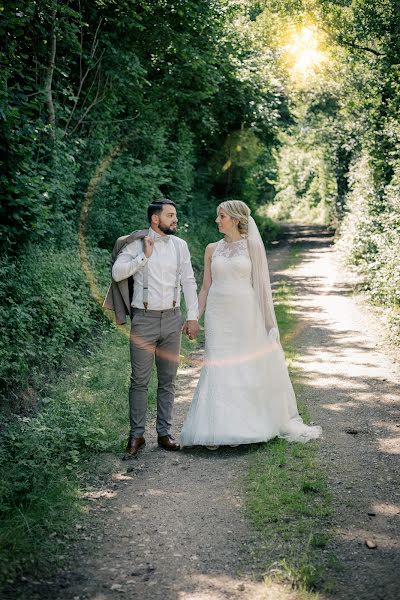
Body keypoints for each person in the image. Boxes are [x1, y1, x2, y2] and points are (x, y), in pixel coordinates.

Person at [180, 200, 322, 448]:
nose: (217, 220)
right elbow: (205, 287)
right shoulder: (212, 249)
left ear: (235, 219)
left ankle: (248, 425)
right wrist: (195, 316)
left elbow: (262, 289)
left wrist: (269, 325)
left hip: (245, 313)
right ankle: (216, 427)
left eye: (221, 216)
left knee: (245, 365)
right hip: (217, 313)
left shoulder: (252, 246)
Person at [112, 199, 199, 457]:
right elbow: (117, 273)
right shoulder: (136, 244)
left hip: (172, 319)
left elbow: (189, 281)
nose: (175, 220)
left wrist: (192, 316)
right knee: (139, 380)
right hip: (144, 320)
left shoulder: (180, 246)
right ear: (155, 219)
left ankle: (164, 433)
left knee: (168, 380)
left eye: (175, 215)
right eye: (170, 216)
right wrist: (143, 257)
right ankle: (136, 436)